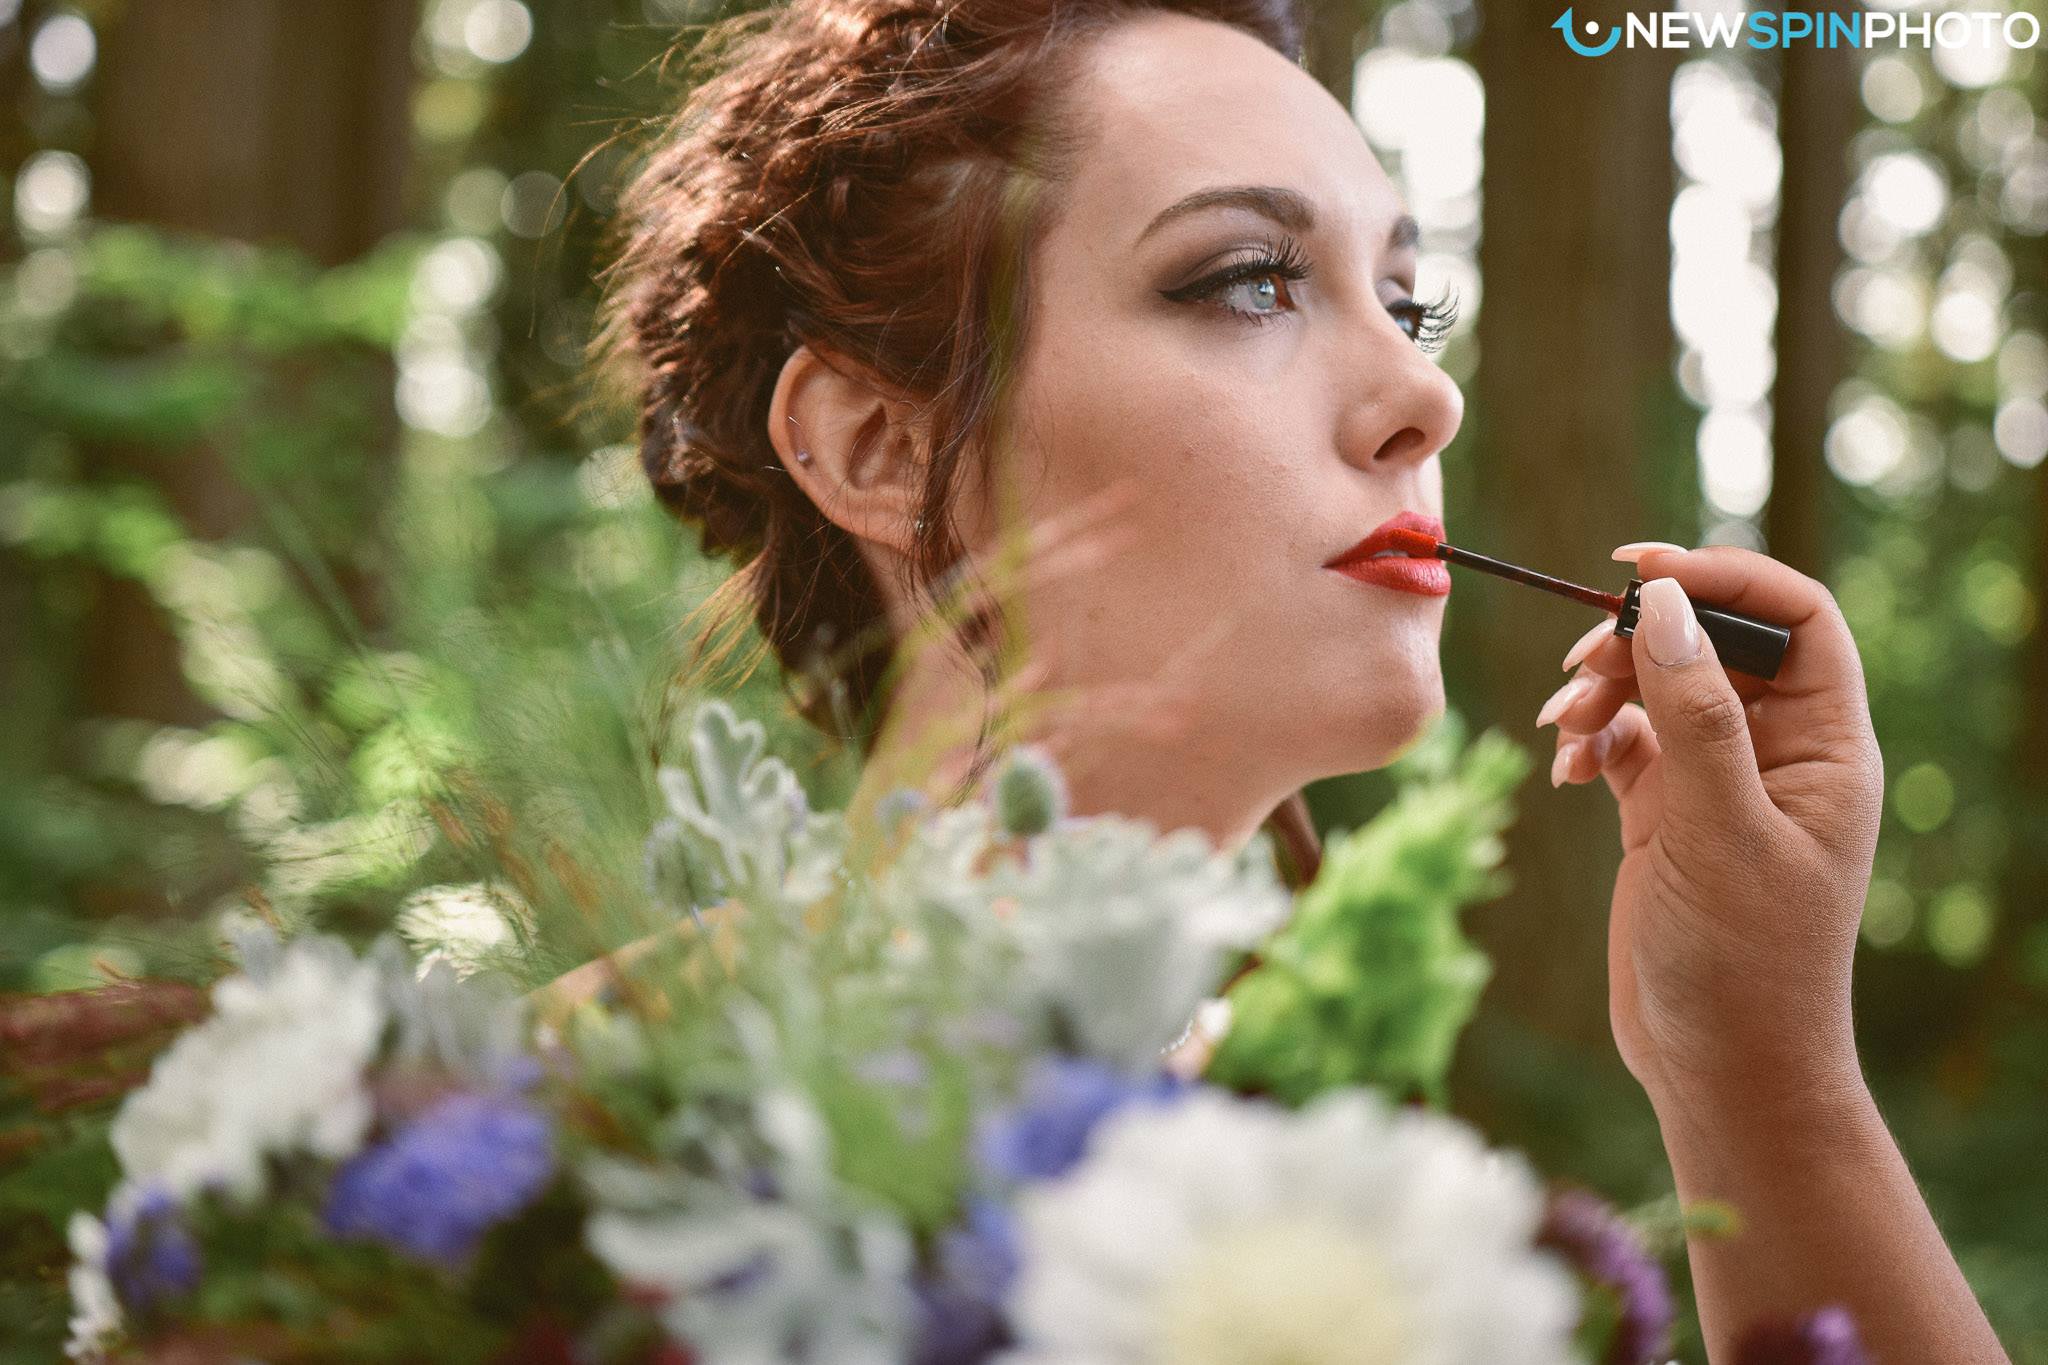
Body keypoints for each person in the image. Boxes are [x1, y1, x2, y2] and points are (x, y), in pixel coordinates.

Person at [590, 1, 2012, 1359]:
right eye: (1251, 281)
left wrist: (1755, 1069)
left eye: (1406, 303)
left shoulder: (1378, 1193)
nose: (1428, 394)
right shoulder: (603, 1121)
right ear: (878, 450)